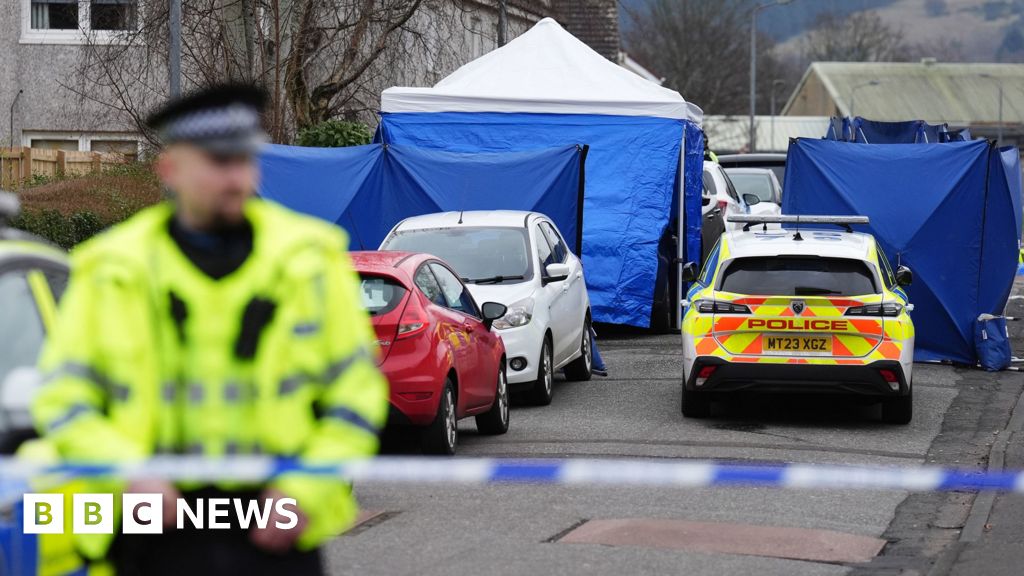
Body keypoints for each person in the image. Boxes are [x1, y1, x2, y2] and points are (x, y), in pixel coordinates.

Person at [31, 84, 389, 576]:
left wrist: (305, 488)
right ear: (171, 169)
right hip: (154, 521)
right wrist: (128, 477)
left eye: (245, 160)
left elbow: (356, 393)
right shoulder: (113, 267)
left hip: (273, 518)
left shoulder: (310, 259)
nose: (236, 177)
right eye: (218, 162)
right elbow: (64, 399)